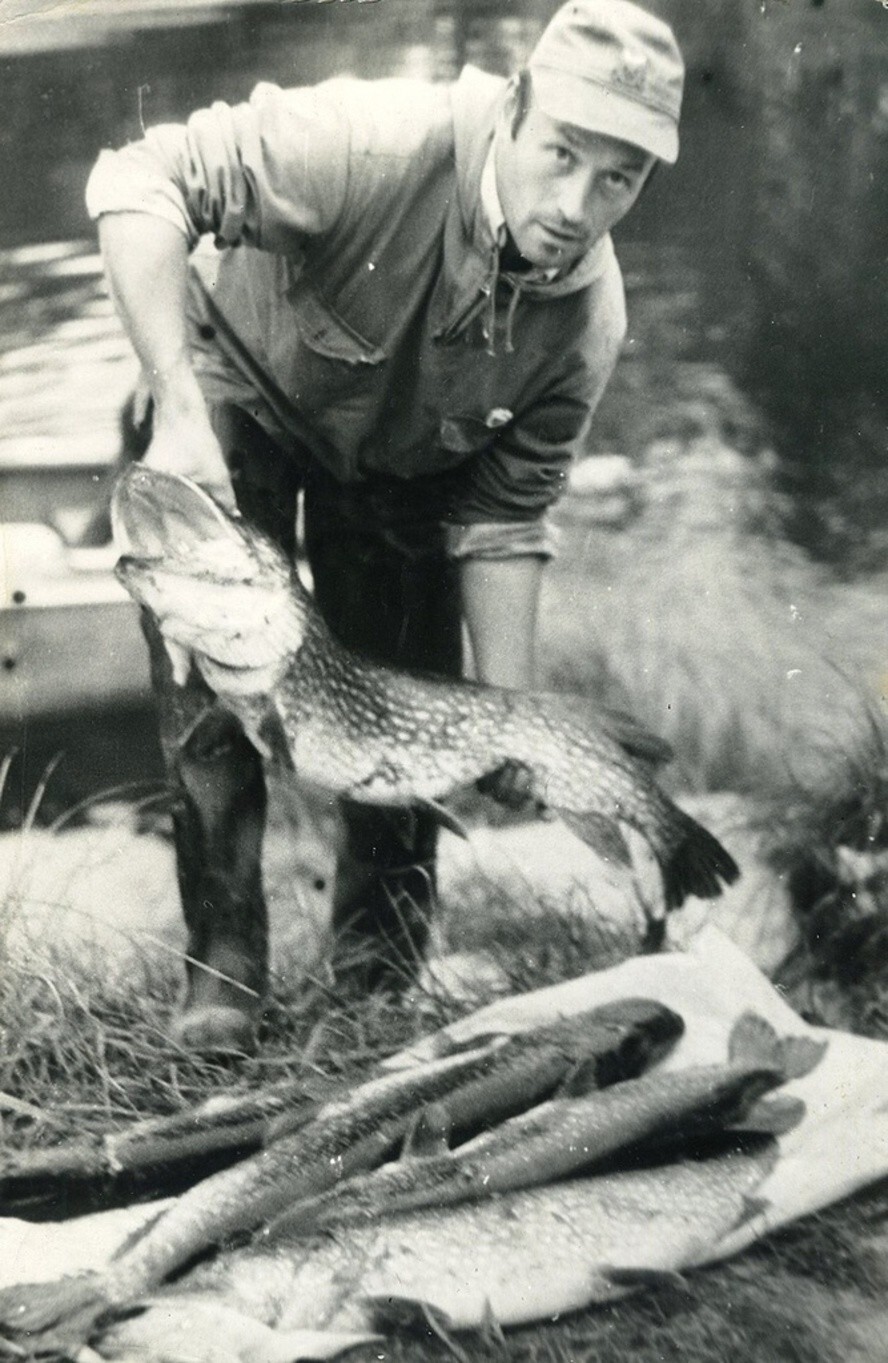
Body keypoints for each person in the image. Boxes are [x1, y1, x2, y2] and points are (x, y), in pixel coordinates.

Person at [86, 0, 684, 1054]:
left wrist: (512, 721)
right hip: (241, 391)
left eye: (620, 180)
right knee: (212, 687)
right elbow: (136, 180)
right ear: (514, 109)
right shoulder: (367, 143)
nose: (577, 207)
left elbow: (505, 516)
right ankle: (225, 969)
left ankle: (378, 972)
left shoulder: (588, 323)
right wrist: (176, 407)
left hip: (403, 456)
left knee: (405, 702)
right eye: (562, 155)